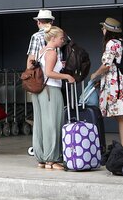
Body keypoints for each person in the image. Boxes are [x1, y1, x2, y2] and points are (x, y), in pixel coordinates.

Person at [88, 18, 123, 150]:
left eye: (104, 28)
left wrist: (95, 74)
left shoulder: (111, 43)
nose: (102, 30)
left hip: (116, 85)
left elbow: (106, 65)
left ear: (108, 30)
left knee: (121, 117)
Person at [32, 27, 73, 170]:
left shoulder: (41, 51)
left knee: (40, 124)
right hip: (51, 90)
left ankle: (41, 158)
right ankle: (52, 159)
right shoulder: (52, 53)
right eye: (61, 38)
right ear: (53, 38)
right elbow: (49, 72)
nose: (63, 41)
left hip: (39, 91)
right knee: (53, 123)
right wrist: (66, 76)